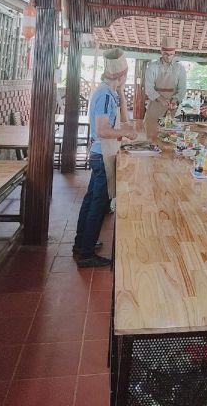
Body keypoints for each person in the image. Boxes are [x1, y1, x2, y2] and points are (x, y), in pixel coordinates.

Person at [74, 49, 137, 268]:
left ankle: (81, 243)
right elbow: (102, 130)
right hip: (102, 154)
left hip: (102, 153)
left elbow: (124, 117)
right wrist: (125, 133)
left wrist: (120, 91)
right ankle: (86, 253)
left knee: (92, 198)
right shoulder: (103, 94)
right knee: (99, 204)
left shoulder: (109, 92)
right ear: (121, 76)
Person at [144, 35, 187, 136]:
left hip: (172, 110)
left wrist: (175, 100)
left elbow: (182, 90)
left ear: (174, 53)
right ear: (161, 52)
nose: (168, 57)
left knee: (171, 139)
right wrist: (161, 99)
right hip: (154, 109)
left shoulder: (180, 68)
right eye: (166, 54)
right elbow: (149, 89)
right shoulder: (152, 67)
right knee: (152, 138)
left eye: (171, 54)